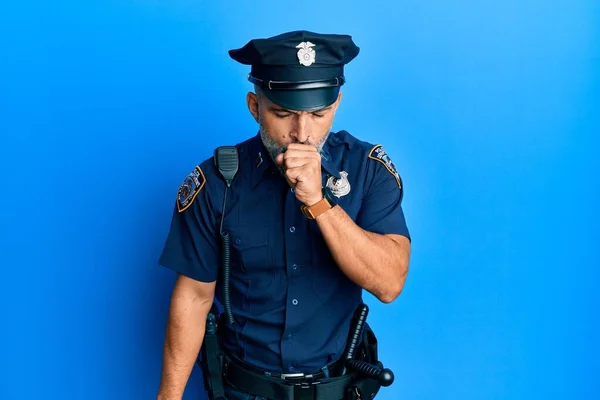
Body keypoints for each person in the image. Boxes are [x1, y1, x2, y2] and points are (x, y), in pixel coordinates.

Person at [156, 30, 411, 400]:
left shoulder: (368, 170)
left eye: (317, 114)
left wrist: (319, 203)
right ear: (255, 107)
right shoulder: (215, 183)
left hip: (337, 388)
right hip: (244, 390)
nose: (302, 134)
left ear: (336, 105)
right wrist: (169, 396)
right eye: (283, 113)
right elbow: (194, 296)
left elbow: (389, 283)